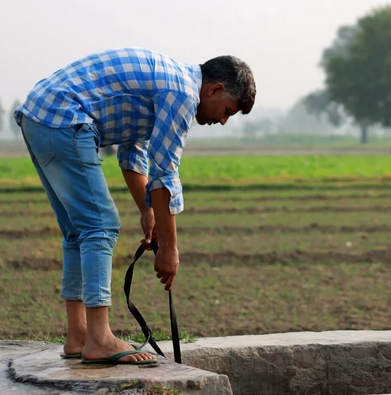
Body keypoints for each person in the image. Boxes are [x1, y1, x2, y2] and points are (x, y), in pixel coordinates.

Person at [14, 47, 256, 365]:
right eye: (227, 111)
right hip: (64, 117)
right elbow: (165, 174)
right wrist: (169, 250)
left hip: (41, 114)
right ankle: (99, 339)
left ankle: (79, 335)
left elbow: (133, 154)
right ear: (215, 90)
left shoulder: (167, 81)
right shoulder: (182, 95)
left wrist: (147, 211)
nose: (223, 121)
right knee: (100, 225)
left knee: (78, 231)